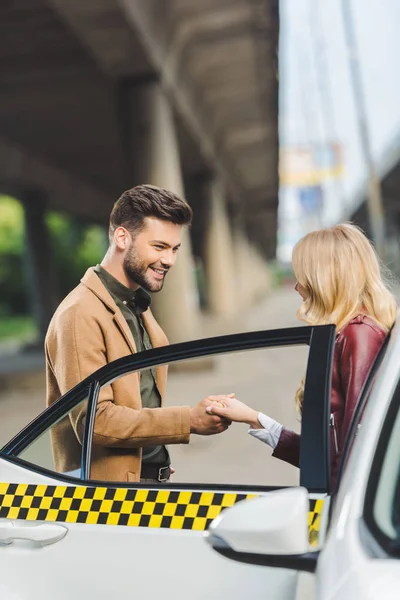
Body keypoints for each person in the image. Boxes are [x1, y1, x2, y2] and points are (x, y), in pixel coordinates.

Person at [45, 184, 231, 484]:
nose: (169, 260)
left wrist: (151, 457)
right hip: (104, 497)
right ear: (122, 237)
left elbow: (139, 398)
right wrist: (188, 420)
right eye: (159, 247)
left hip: (143, 481)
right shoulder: (79, 313)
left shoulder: (136, 304)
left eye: (174, 249)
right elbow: (95, 422)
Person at [206, 223, 397, 488]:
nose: (297, 286)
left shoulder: (358, 334)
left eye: (303, 275)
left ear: (325, 277)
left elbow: (357, 448)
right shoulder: (347, 333)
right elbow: (328, 453)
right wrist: (254, 418)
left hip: (342, 506)